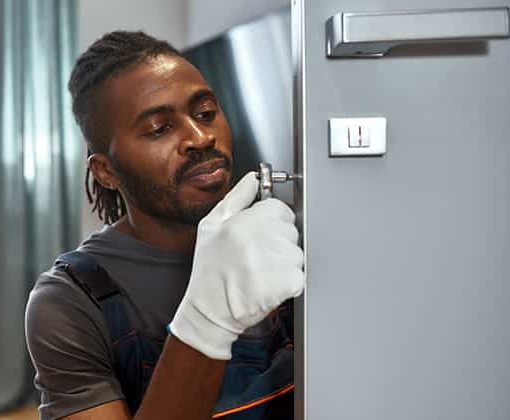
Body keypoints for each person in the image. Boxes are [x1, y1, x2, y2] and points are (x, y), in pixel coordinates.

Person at [25, 31, 305, 420]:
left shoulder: (287, 239)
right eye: (160, 129)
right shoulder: (71, 301)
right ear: (106, 171)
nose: (200, 137)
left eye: (206, 113)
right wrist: (209, 319)